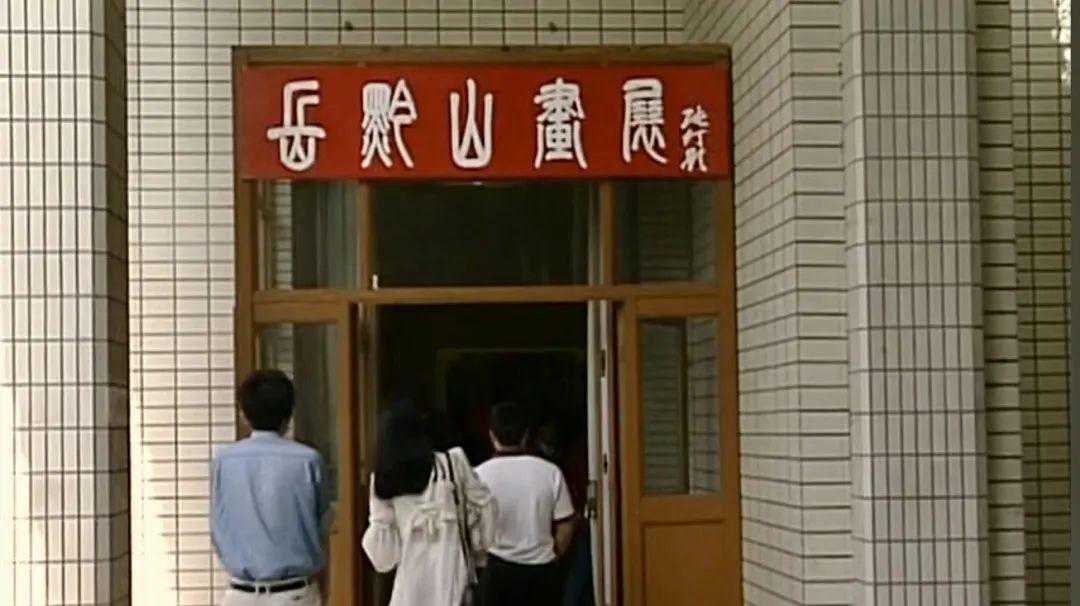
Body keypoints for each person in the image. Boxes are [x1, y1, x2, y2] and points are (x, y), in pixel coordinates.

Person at [211, 370, 331, 606]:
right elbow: (322, 525)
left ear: (243, 414)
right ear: (289, 415)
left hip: (239, 594)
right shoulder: (309, 461)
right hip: (294, 594)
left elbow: (217, 526)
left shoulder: (223, 461)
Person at [362, 399, 496, 606]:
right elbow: (486, 505)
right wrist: (480, 550)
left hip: (409, 589)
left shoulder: (384, 479)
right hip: (452, 582)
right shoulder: (452, 463)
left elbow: (384, 560)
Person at [476, 402, 576, 606]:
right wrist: (554, 553)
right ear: (526, 434)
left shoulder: (478, 476)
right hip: (541, 572)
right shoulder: (550, 472)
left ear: (491, 435)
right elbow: (566, 524)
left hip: (496, 573)